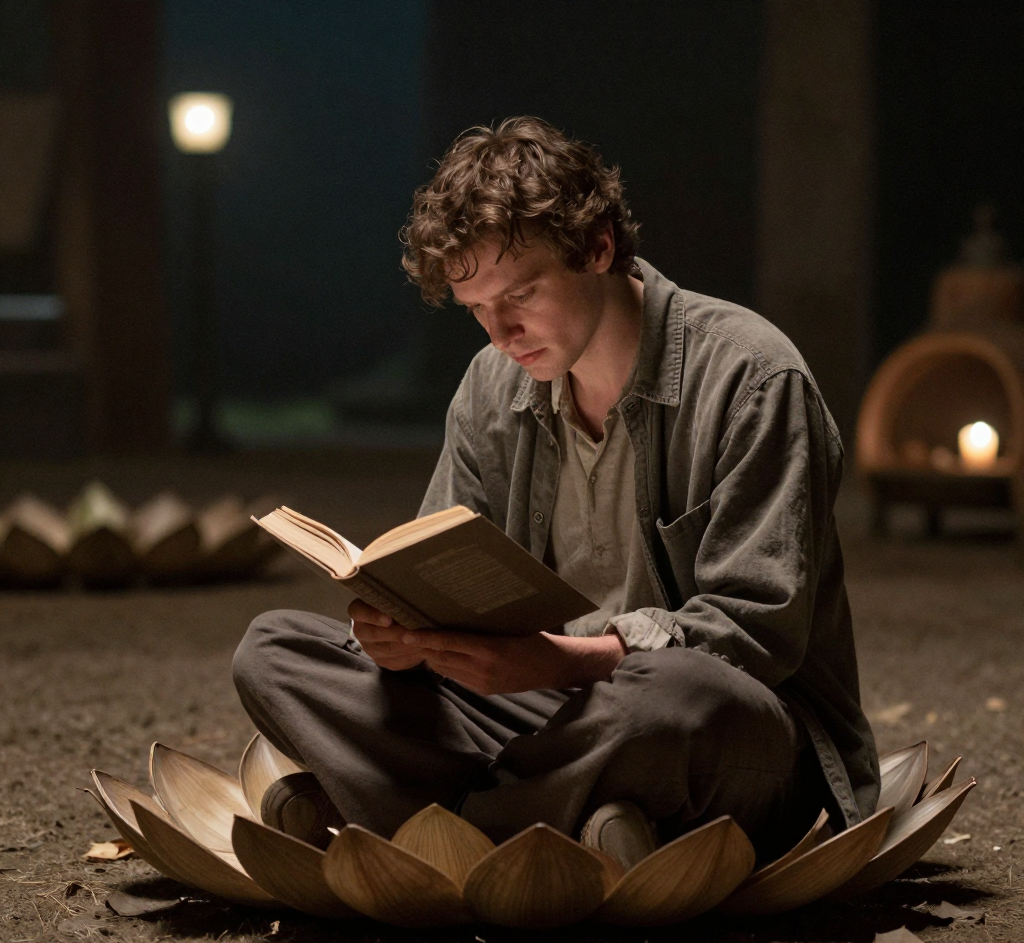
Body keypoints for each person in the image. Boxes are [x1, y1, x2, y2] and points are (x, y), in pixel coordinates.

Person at [233, 116, 879, 868]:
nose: (502, 332)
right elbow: (434, 571)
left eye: (523, 294)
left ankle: (430, 822)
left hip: (718, 724)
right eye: (477, 309)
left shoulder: (753, 378)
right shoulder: (490, 388)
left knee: (679, 699)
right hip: (533, 714)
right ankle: (578, 824)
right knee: (273, 649)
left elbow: (755, 635)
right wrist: (404, 638)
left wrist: (562, 661)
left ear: (599, 247)